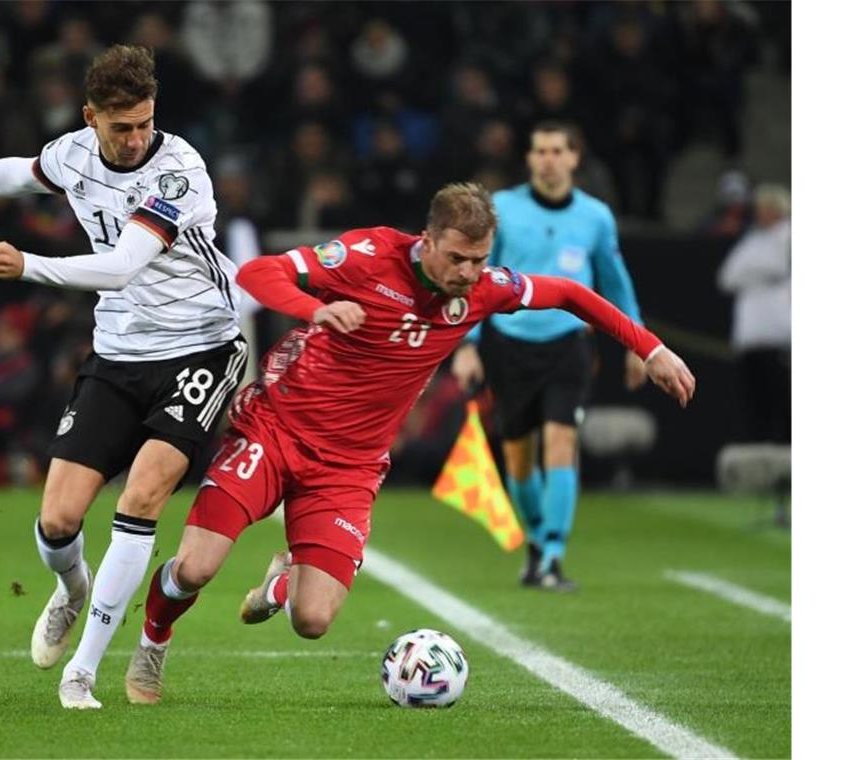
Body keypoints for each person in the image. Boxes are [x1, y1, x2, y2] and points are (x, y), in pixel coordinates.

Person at [119, 181, 695, 705]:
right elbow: (256, 275)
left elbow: (570, 293)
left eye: (480, 260)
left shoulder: (484, 290)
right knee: (194, 569)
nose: (469, 272)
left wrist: (650, 348)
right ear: (427, 240)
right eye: (458, 258)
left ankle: (281, 581)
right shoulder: (366, 256)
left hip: (349, 467)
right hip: (275, 431)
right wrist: (317, 308)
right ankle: (152, 644)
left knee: (312, 620)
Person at [0, 45, 247, 711]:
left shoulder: (179, 171)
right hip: (118, 351)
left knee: (140, 500)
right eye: (120, 128)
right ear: (90, 118)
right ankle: (73, 589)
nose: (135, 139)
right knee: (57, 522)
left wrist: (27, 263)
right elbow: (17, 173)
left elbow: (120, 266)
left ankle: (82, 671)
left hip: (200, 348)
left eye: (144, 123)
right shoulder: (73, 153)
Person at [451, 121, 648, 592]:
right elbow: (476, 278)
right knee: (519, 457)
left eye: (558, 150)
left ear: (575, 158)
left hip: (569, 343)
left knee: (561, 443)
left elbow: (614, 279)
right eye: (540, 151)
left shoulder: (596, 217)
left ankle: (553, 553)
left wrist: (638, 343)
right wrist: (469, 345)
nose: (549, 159)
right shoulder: (503, 210)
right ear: (530, 158)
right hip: (510, 342)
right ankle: (537, 542)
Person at [717, 183, 791, 443]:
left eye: (764, 208)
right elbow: (727, 276)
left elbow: (779, 267)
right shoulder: (752, 239)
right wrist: (757, 274)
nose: (759, 213)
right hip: (750, 338)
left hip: (780, 335)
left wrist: (749, 274)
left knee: (784, 402)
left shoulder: (789, 234)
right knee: (756, 403)